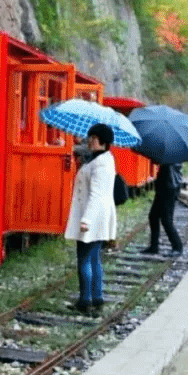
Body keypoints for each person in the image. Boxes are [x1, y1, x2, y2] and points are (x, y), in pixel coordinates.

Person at [63, 123, 118, 313]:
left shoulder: (101, 163)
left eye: (94, 139)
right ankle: (96, 297)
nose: (90, 141)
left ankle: (85, 300)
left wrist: (86, 220)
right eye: (90, 138)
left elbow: (96, 194)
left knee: (85, 259)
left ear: (103, 142)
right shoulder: (100, 160)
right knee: (94, 258)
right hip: (97, 215)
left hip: (93, 216)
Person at [143, 162, 183, 256]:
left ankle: (177, 247)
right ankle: (154, 247)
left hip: (168, 188)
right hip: (164, 188)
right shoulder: (170, 155)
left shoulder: (170, 155)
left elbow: (168, 173)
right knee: (153, 217)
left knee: (166, 220)